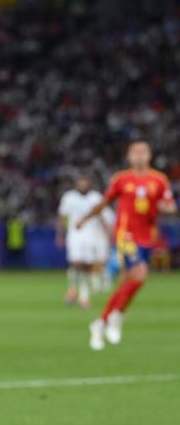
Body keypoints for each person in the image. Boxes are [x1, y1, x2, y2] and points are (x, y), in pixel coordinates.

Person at [77, 141, 175, 350]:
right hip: (126, 235)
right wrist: (85, 219)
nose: (139, 156)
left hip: (147, 237)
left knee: (130, 281)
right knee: (140, 273)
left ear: (149, 156)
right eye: (135, 153)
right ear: (129, 157)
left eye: (143, 152)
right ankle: (116, 316)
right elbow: (104, 203)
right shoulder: (121, 179)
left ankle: (101, 322)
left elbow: (170, 205)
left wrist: (166, 207)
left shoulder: (159, 180)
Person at [56, 175, 108, 308]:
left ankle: (83, 296)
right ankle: (73, 289)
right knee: (75, 263)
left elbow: (101, 215)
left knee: (88, 266)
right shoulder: (69, 197)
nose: (83, 184)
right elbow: (61, 216)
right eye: (81, 181)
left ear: (89, 183)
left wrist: (106, 231)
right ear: (77, 183)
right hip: (75, 234)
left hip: (92, 235)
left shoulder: (95, 197)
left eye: (85, 181)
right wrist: (60, 235)